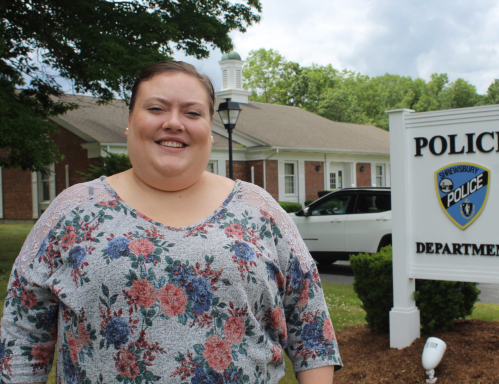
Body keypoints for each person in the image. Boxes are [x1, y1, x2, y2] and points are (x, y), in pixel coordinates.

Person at [0, 61, 342, 384]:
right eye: (156, 108)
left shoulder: (260, 211)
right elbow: (22, 334)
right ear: (130, 123)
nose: (174, 123)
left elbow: (311, 328)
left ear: (210, 131)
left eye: (192, 113)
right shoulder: (72, 211)